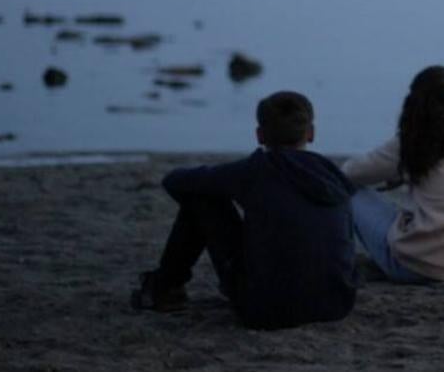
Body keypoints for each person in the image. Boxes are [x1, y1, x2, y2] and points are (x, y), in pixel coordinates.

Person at [132, 91, 358, 329]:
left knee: (200, 196)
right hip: (337, 305)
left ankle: (165, 288)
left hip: (265, 310)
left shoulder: (256, 170)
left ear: (259, 136)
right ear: (311, 133)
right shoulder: (333, 177)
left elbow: (174, 181)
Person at [343, 65, 444, 285]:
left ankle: (333, 259)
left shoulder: (420, 135)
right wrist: (407, 170)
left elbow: (350, 173)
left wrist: (402, 163)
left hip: (420, 267)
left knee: (345, 190)